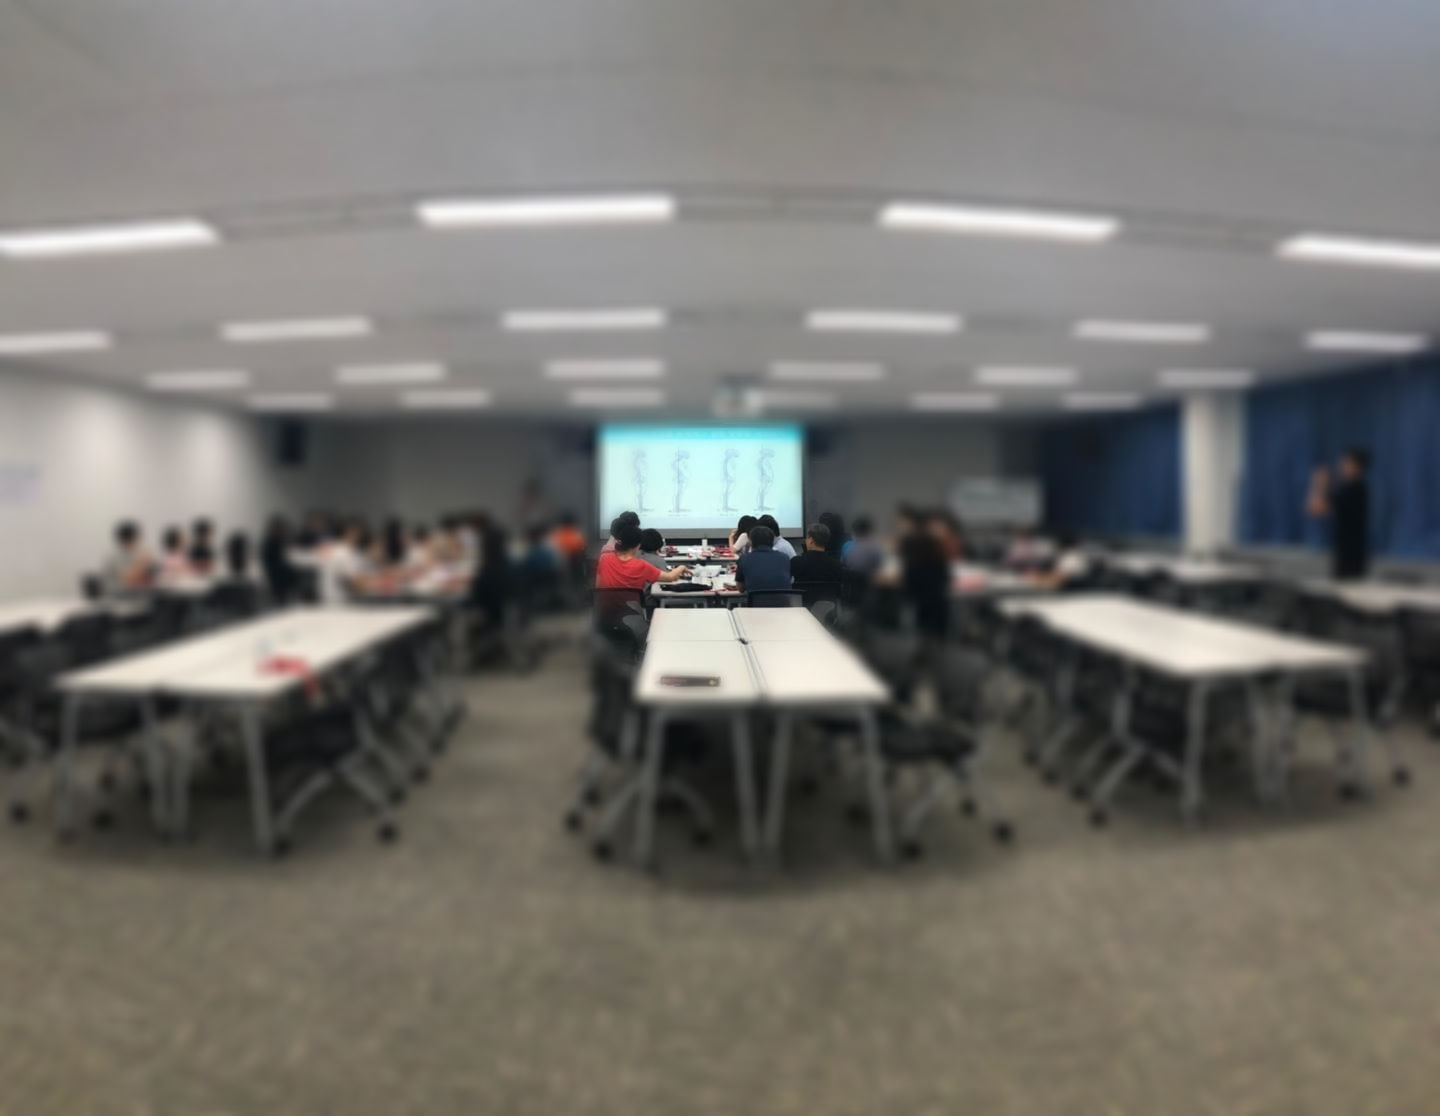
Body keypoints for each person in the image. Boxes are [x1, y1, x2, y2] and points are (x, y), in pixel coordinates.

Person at [1309, 448, 1373, 581]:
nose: (1342, 467)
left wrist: (1319, 485)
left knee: (1346, 588)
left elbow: (1316, 509)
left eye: (1346, 463)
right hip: (1352, 554)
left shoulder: (1352, 490)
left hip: (1348, 557)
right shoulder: (1358, 489)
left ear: (1356, 466)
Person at [594, 522, 692, 590]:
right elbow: (670, 577)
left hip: (604, 611)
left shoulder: (604, 558)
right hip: (632, 611)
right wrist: (682, 567)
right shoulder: (641, 566)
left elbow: (598, 587)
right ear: (638, 545)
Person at [317, 520, 367, 604]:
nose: (357, 536)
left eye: (359, 533)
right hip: (336, 597)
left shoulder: (352, 551)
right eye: (354, 533)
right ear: (347, 533)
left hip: (335, 594)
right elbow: (351, 580)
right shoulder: (340, 551)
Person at [735, 525, 792, 593]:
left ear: (751, 542)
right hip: (783, 599)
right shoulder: (785, 558)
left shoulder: (744, 559)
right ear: (772, 541)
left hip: (757, 600)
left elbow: (740, 589)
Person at [790, 522, 845, 591]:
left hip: (803, 598)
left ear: (811, 540)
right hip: (827, 597)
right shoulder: (837, 565)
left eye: (806, 538)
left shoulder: (796, 562)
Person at [104, 521, 153, 591]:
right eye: (133, 539)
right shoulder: (112, 558)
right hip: (120, 592)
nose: (136, 542)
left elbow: (147, 578)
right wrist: (142, 564)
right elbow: (126, 579)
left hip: (140, 591)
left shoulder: (140, 554)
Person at [260, 515, 298, 604]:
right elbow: (281, 557)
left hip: (275, 571)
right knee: (293, 576)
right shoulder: (274, 542)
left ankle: (284, 599)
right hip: (277, 572)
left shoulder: (273, 540)